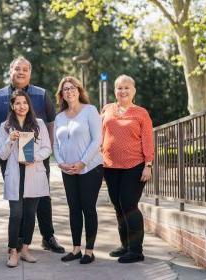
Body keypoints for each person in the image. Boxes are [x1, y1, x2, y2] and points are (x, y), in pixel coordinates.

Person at [0, 56, 65, 254]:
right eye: (17, 69)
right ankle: (18, 240)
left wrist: (46, 151)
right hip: (10, 157)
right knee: (18, 201)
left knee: (41, 198)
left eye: (25, 70)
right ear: (10, 71)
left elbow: (51, 123)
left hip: (36, 159)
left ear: (30, 73)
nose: (21, 72)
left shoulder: (41, 94)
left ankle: (48, 236)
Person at [101, 74, 154, 263]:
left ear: (134, 91)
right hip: (110, 166)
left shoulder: (141, 113)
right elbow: (102, 135)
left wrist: (148, 165)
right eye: (119, 88)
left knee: (129, 205)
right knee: (118, 206)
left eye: (126, 88)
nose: (123, 91)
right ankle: (125, 245)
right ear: (115, 91)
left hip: (134, 165)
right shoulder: (107, 109)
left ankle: (136, 251)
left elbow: (148, 140)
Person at [0, 90, 52, 267]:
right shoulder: (5, 126)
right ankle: (13, 251)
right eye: (18, 103)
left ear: (29, 105)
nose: (22, 106)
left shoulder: (39, 124)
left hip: (34, 174)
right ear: (12, 106)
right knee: (16, 214)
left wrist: (33, 158)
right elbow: (2, 155)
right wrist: (9, 141)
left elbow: (47, 149)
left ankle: (25, 250)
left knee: (29, 215)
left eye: (25, 103)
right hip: (15, 176)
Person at [53, 76, 103, 264]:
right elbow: (55, 146)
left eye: (72, 88)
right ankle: (76, 249)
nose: (69, 91)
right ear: (61, 94)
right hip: (68, 170)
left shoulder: (90, 111)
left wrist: (82, 162)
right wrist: (60, 163)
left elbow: (97, 140)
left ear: (79, 90)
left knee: (88, 209)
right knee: (74, 209)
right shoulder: (59, 117)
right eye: (65, 89)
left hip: (90, 168)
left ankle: (89, 251)